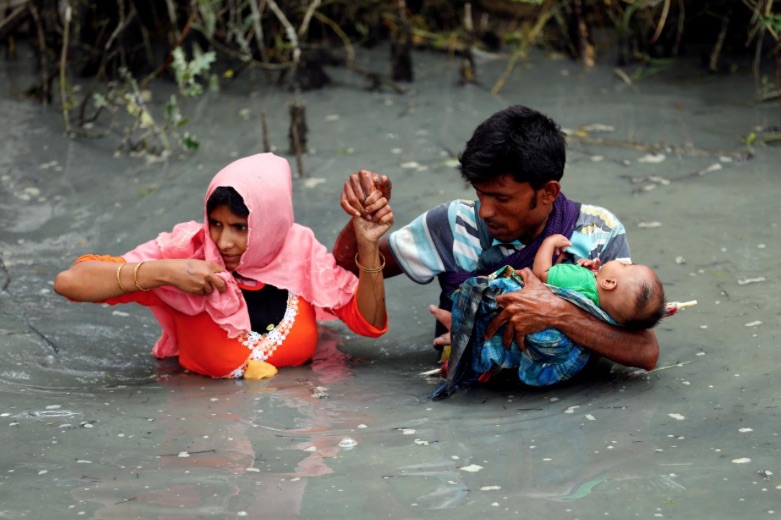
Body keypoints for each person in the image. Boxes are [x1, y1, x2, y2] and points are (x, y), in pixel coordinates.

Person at [333, 104, 659, 384]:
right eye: (480, 194)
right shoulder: (452, 224)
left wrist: (558, 314)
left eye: (502, 198)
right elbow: (344, 270)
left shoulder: (598, 232)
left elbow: (644, 352)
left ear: (548, 192)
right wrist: (362, 226)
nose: (486, 211)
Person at [53, 153, 395, 379]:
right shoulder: (185, 252)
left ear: (270, 224)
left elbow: (370, 324)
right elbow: (70, 282)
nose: (224, 242)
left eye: (240, 227)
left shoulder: (298, 250)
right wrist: (165, 273)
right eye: (215, 224)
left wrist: (367, 245)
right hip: (207, 439)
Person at [533, 234, 666, 330]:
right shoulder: (603, 319)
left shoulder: (580, 279)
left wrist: (548, 243)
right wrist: (595, 275)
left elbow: (541, 274)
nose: (623, 262)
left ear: (608, 283)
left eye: (625, 266)